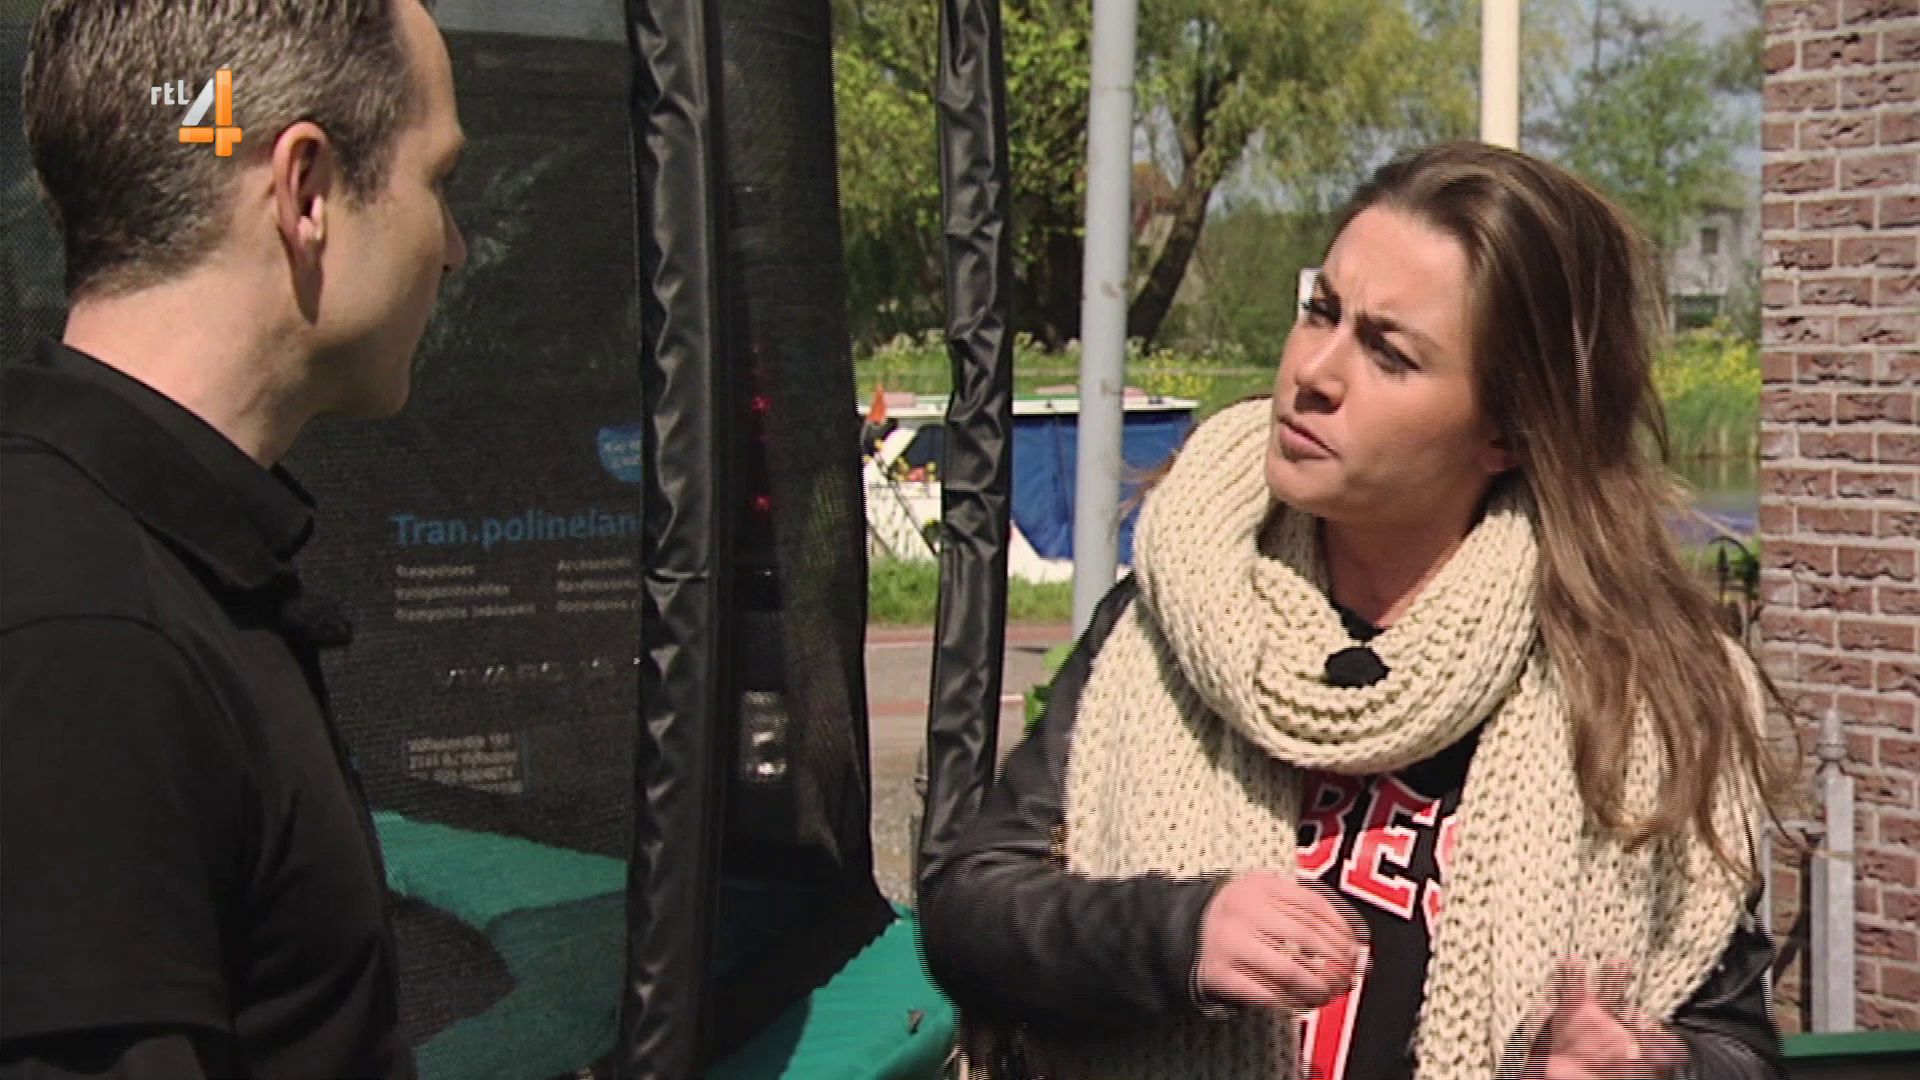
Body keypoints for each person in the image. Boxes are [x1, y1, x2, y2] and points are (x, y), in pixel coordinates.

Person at [919, 141, 1793, 1080]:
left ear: (1506, 430)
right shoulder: (1182, 610)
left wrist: (1653, 1068)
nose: (1315, 372)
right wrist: (1176, 933)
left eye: (1389, 353)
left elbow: (1735, 1045)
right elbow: (972, 912)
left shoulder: (1643, 692)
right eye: (1321, 311)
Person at [1, 0, 465, 1075]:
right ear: (306, 191)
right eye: (439, 180)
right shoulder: (91, 637)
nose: (454, 247)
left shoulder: (148, 563)